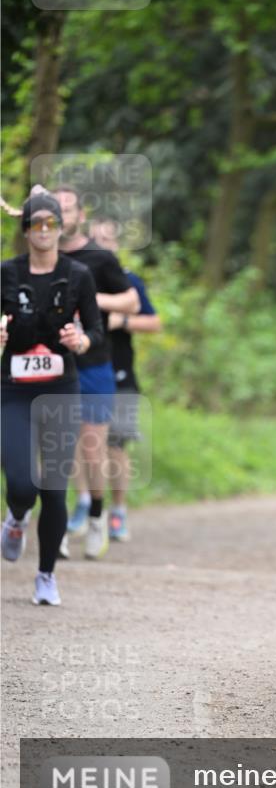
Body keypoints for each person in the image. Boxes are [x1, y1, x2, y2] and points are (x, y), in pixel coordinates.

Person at [1, 187, 104, 605]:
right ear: (26, 230)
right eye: (36, 224)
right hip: (13, 389)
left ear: (60, 229)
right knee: (23, 484)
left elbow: (95, 333)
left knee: (54, 486)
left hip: (61, 388)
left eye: (51, 223)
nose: (44, 230)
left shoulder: (78, 275)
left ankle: (45, 576)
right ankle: (16, 517)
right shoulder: (7, 272)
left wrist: (79, 341)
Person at [52, 187, 139, 559]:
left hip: (95, 363)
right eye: (55, 209)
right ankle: (57, 523)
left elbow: (131, 302)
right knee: (55, 447)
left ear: (80, 215)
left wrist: (89, 298)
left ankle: (99, 515)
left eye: (68, 209)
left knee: (92, 447)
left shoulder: (100, 259)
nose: (61, 216)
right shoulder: (42, 257)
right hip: (52, 362)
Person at [88, 214, 162, 541]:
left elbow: (154, 322)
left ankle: (118, 509)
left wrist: (121, 322)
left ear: (116, 245)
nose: (102, 246)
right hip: (84, 371)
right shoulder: (76, 278)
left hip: (120, 373)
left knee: (116, 442)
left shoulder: (128, 280)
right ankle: (89, 508)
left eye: (107, 240)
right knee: (86, 444)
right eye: (96, 240)